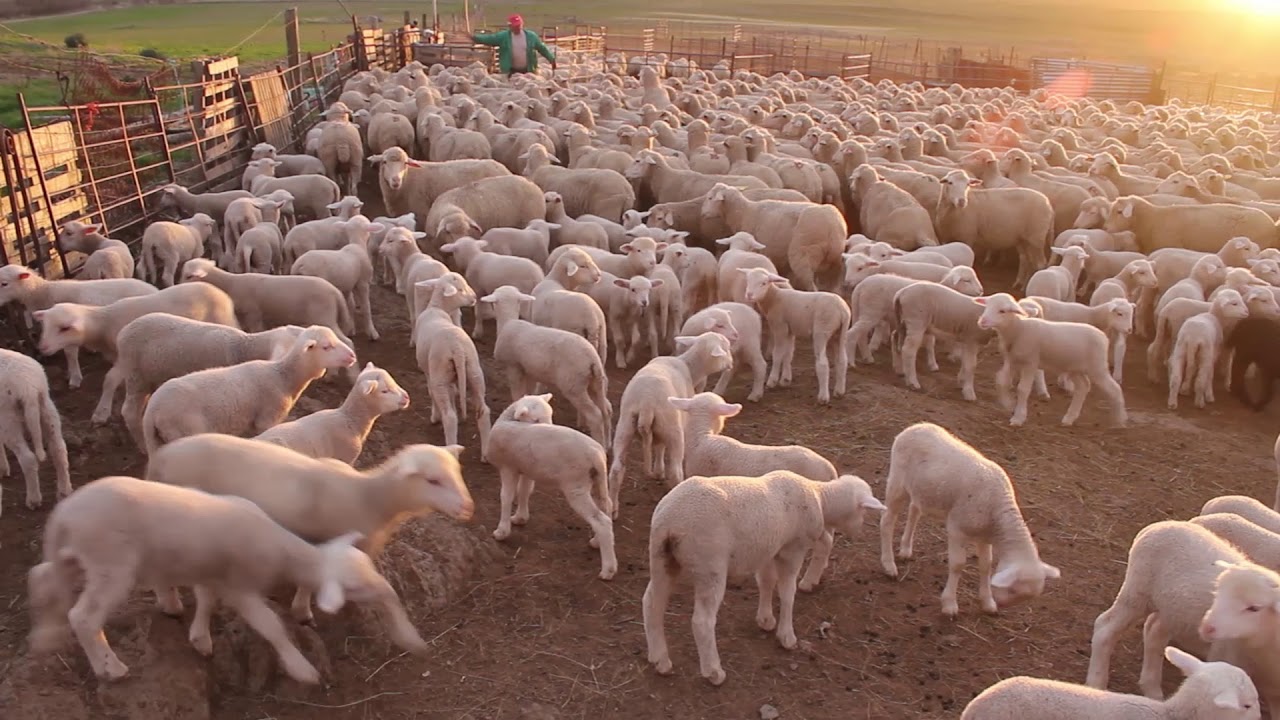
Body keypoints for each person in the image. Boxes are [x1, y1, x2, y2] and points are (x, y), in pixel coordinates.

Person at [469, 14, 556, 77]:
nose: (518, 28)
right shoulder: (504, 37)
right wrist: (475, 38)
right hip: (510, 72)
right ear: (510, 26)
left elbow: (542, 48)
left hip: (528, 71)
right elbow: (490, 39)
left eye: (519, 25)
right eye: (515, 26)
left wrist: (551, 59)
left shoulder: (531, 36)